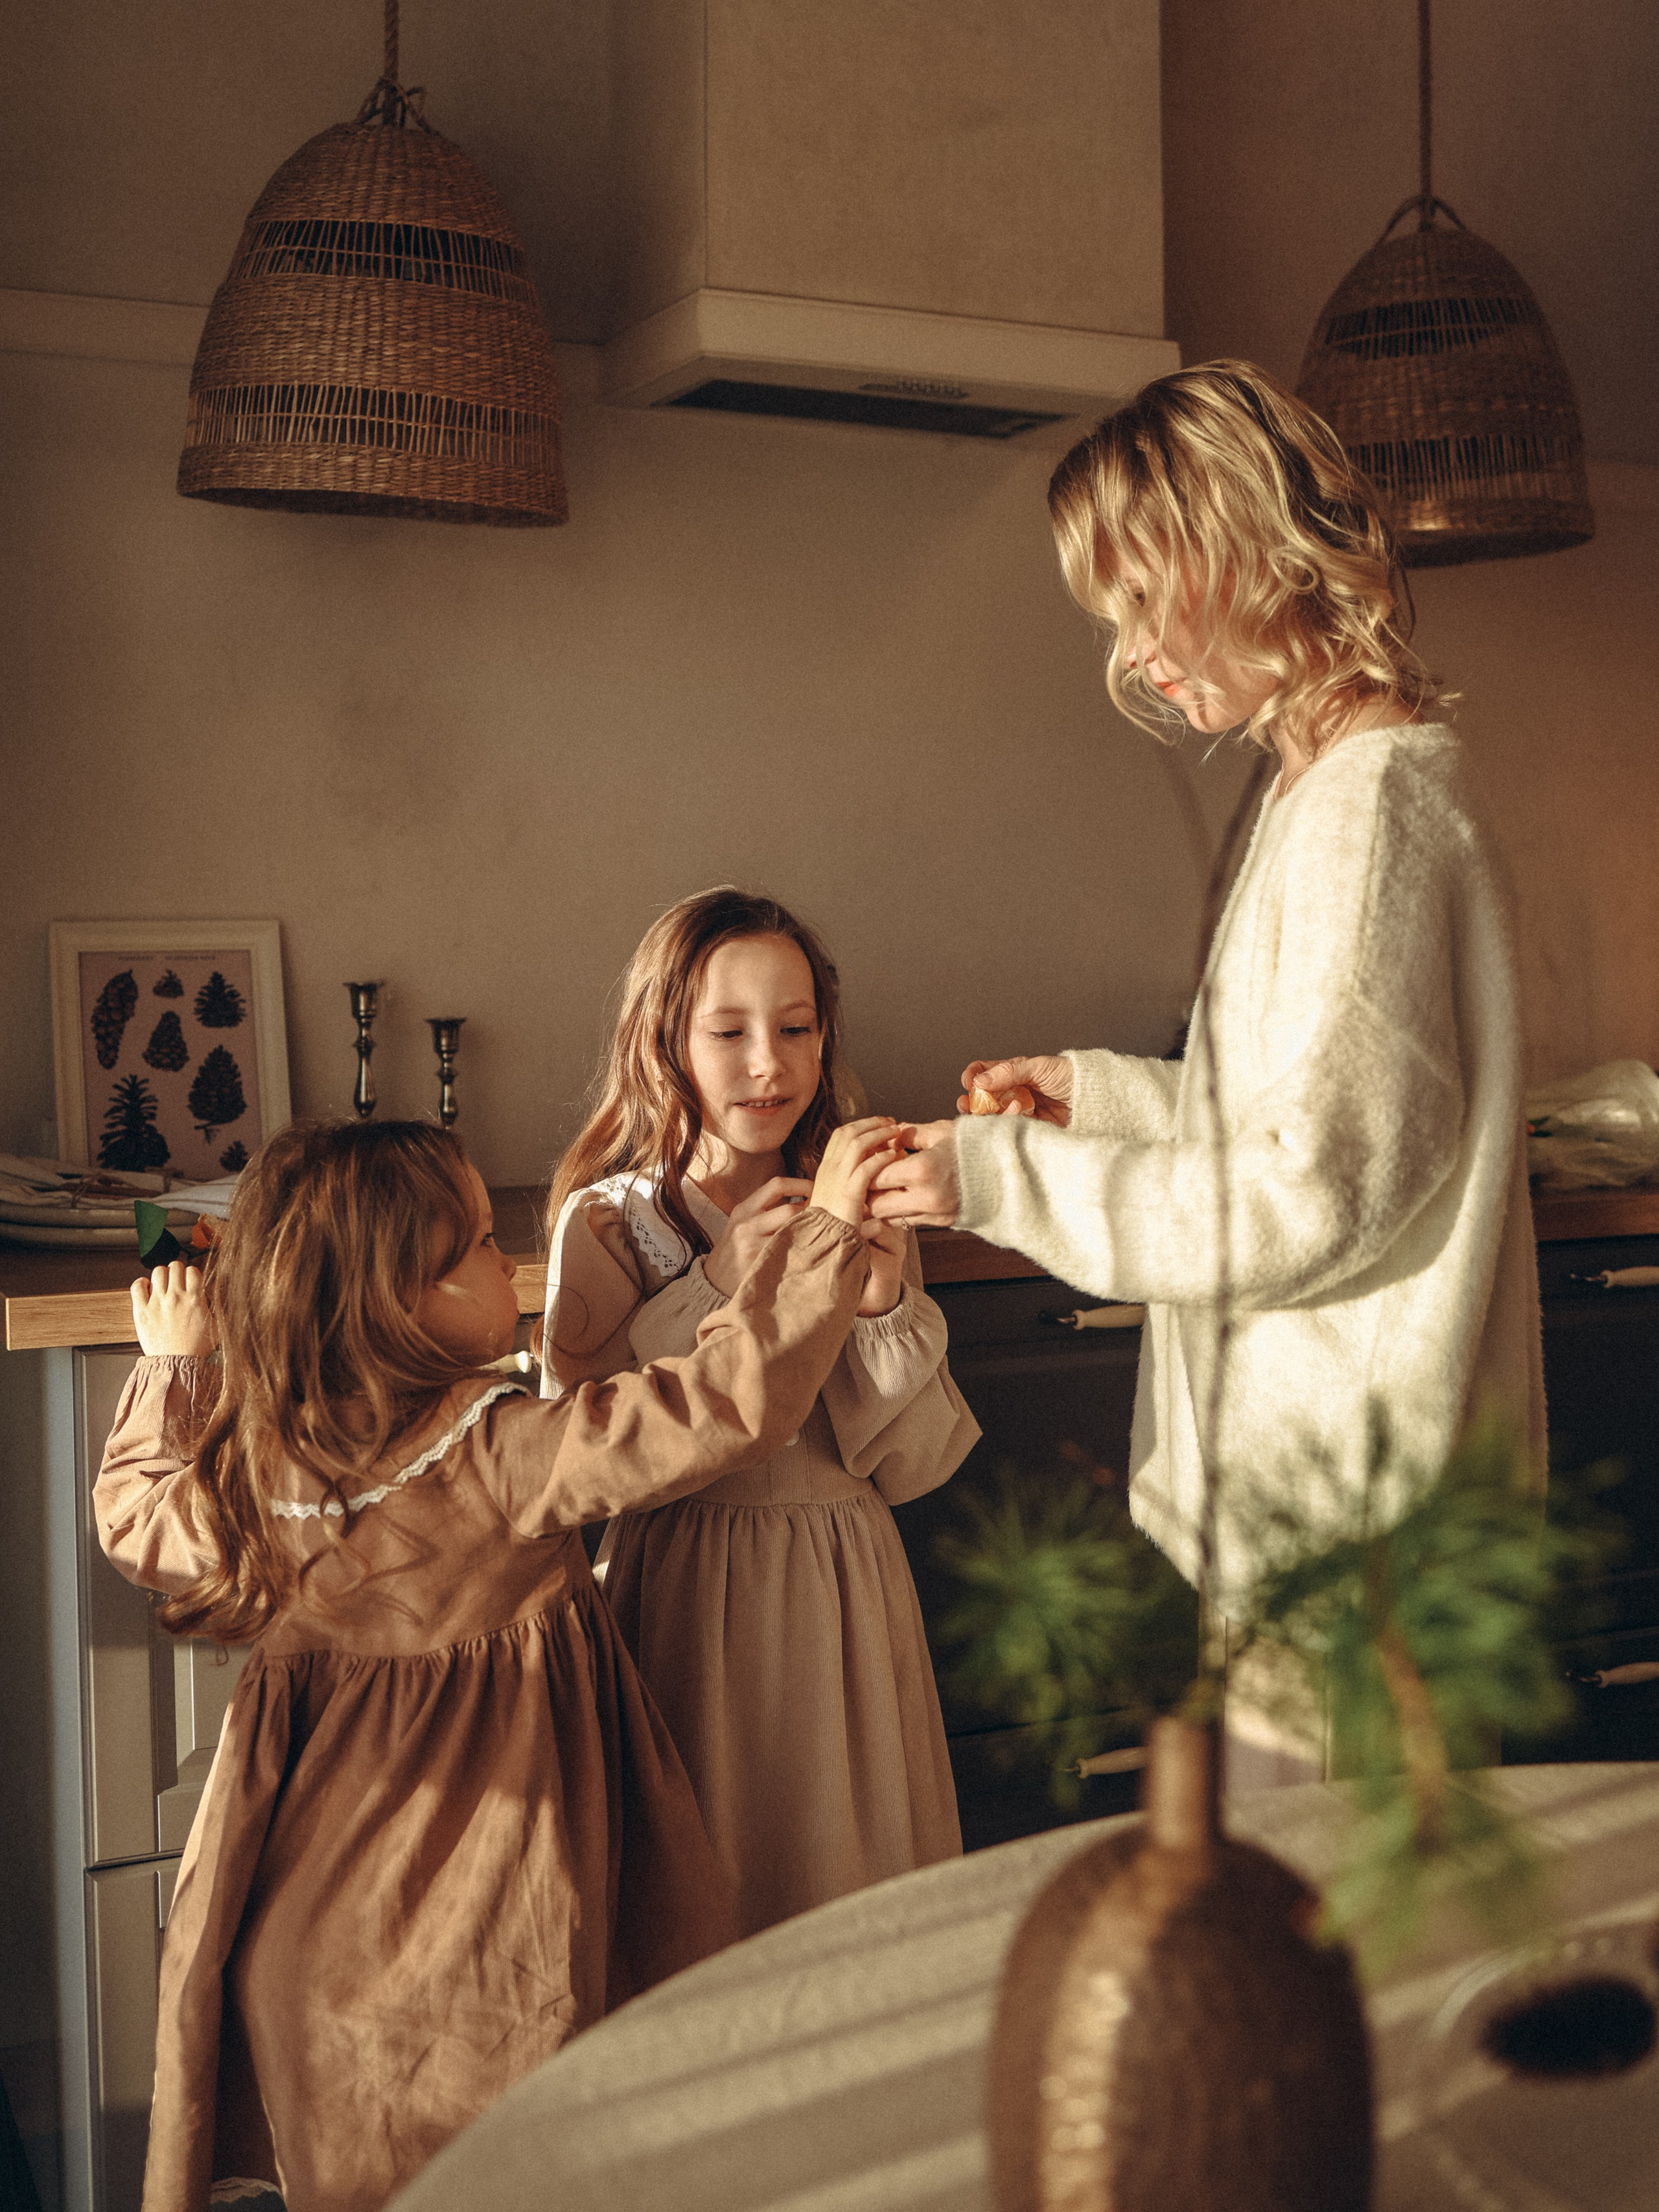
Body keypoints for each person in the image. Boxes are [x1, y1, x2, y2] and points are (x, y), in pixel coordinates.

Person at [868, 362, 1546, 1756]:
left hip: (1353, 1551)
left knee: (1327, 1898)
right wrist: (1102, 1100)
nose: (1132, 657)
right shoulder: (1324, 787)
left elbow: (1310, 1193)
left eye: (1139, 601)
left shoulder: (1366, 809)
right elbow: (1306, 1117)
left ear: (1240, 550)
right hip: (1338, 1529)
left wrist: (997, 1178)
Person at [97, 1114, 893, 2212]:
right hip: (497, 1922)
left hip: (311, 1940)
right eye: (475, 1245)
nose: (508, 1261)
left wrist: (174, 1367)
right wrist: (828, 1235)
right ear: (395, 1301)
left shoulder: (257, 1477)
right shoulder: (501, 1453)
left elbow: (133, 1516)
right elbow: (721, 1402)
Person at [542, 887, 978, 1935]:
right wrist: (714, 1286)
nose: (768, 1065)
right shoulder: (607, 1224)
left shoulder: (866, 1201)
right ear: (664, 1041)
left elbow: (914, 1467)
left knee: (852, 1894)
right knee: (703, 1904)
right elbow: (575, 1464)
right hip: (682, 1599)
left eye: (795, 1029)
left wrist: (879, 1302)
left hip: (845, 1596)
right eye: (728, 1031)